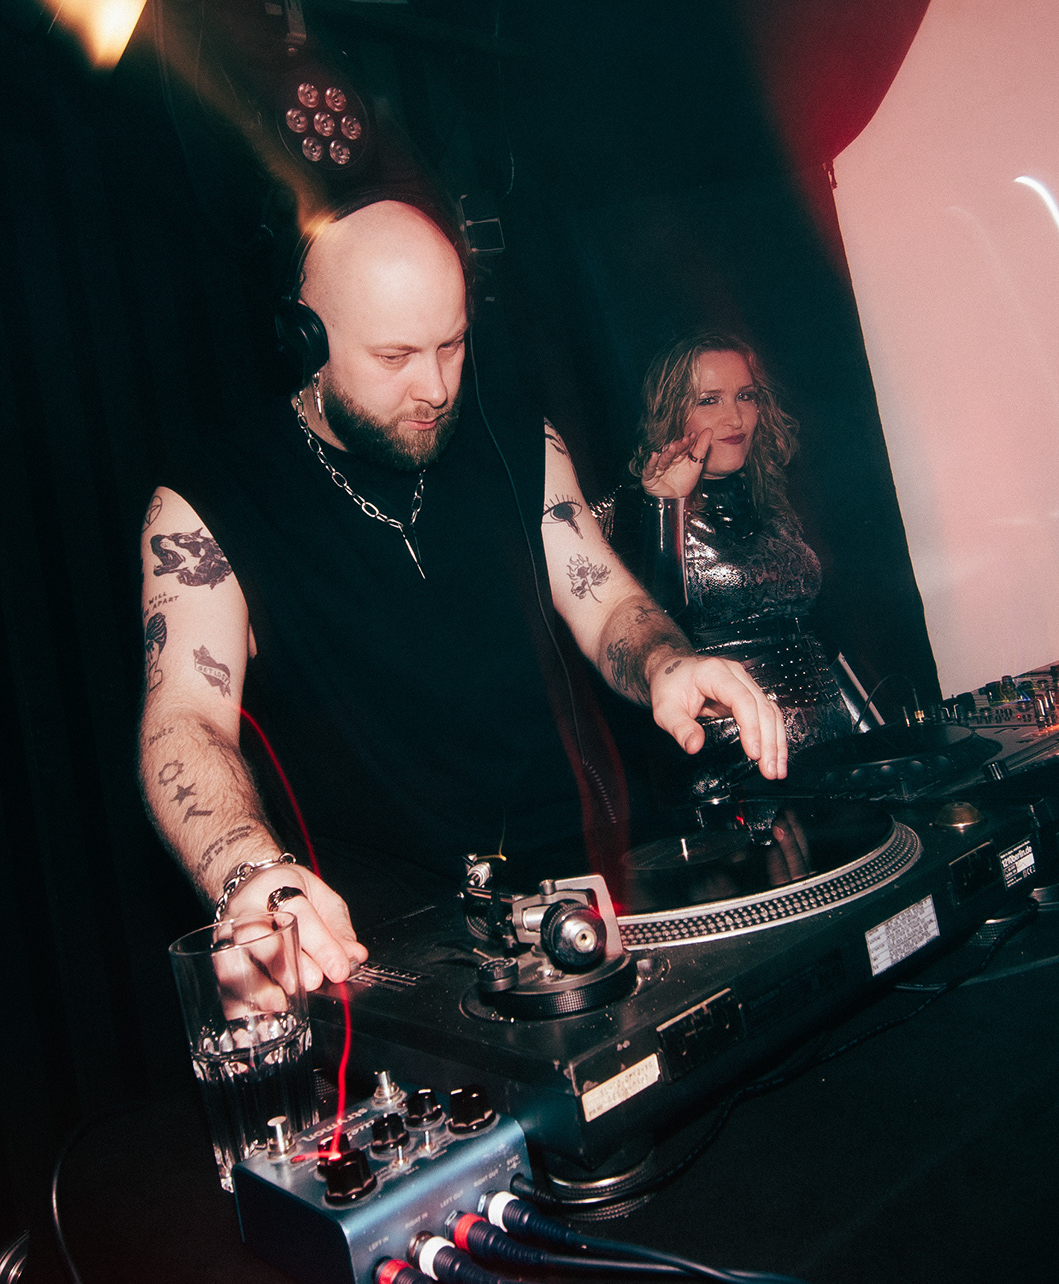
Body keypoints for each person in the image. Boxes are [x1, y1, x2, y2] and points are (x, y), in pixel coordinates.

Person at [136, 199, 787, 990]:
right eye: (395, 357)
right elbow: (184, 720)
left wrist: (666, 663)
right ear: (306, 339)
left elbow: (607, 602)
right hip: (388, 939)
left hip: (582, 897)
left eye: (451, 345)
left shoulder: (519, 440)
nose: (437, 388)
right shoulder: (210, 502)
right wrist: (249, 874)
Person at [601, 332, 860, 791]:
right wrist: (666, 507)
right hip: (731, 769)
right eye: (709, 400)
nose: (735, 417)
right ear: (671, 411)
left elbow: (818, 635)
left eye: (746, 396)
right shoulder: (636, 511)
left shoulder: (771, 498)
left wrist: (871, 733)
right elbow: (652, 629)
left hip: (832, 749)